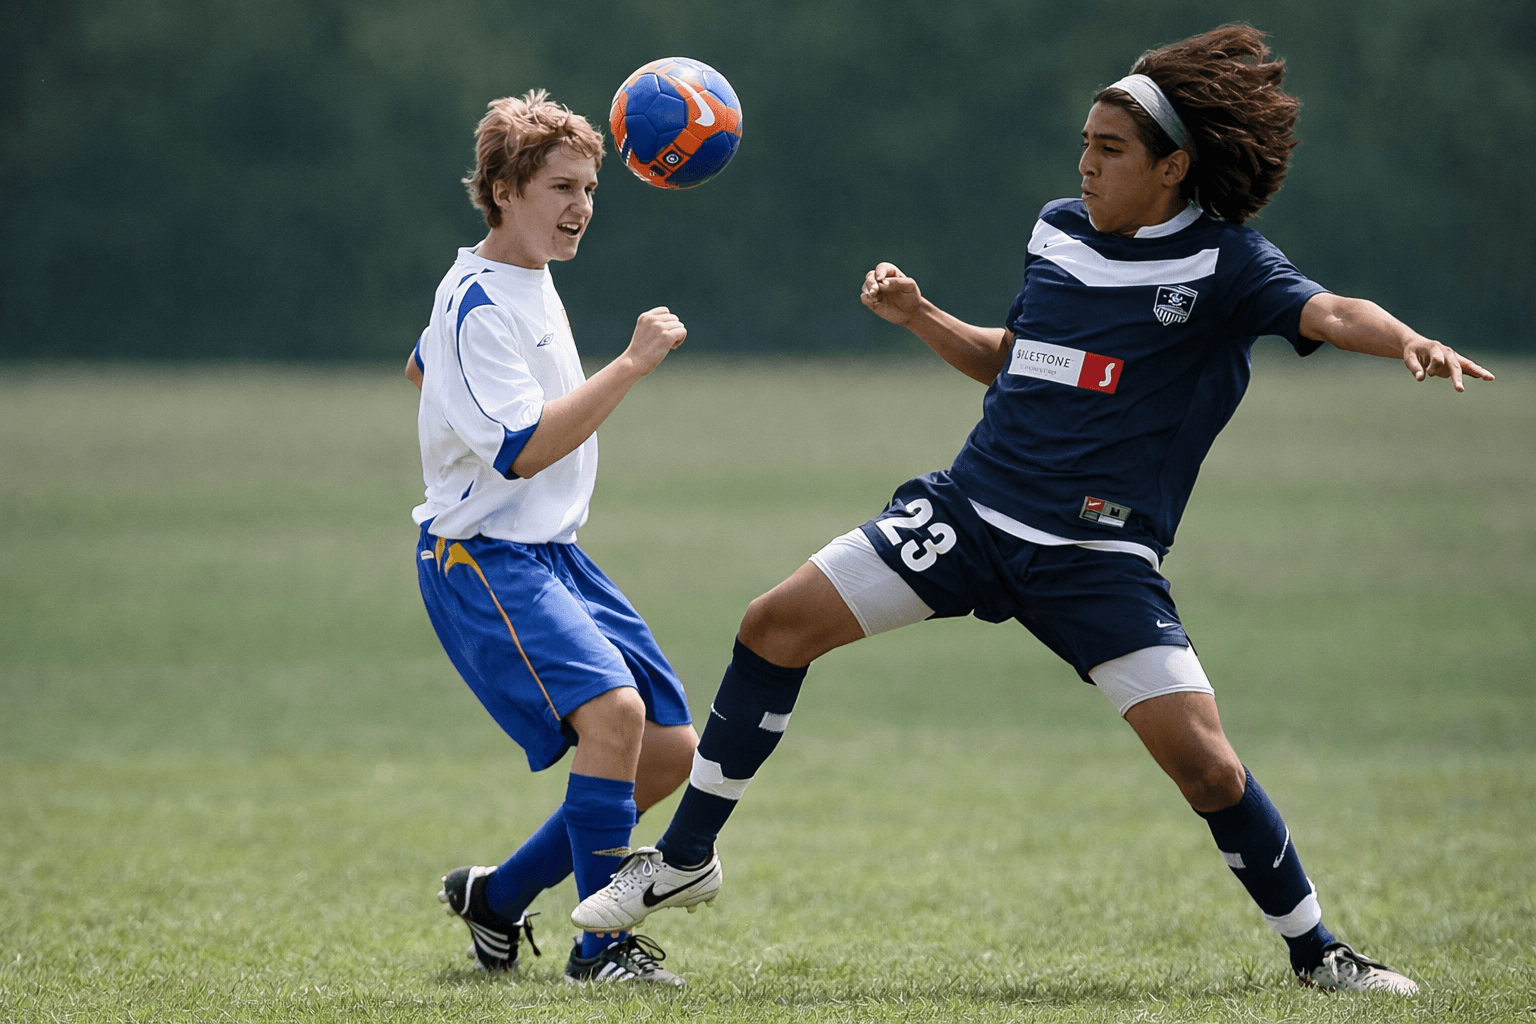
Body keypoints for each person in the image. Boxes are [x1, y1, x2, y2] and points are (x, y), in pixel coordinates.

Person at [570, 26, 1494, 995]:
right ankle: (682, 860)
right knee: (772, 624)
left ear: (1174, 167)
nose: (1086, 164)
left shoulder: (1228, 267)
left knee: (1208, 769)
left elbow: (1334, 310)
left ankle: (1321, 954)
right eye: (1085, 144)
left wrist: (1408, 342)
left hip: (1096, 559)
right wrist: (924, 317)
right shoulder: (1058, 228)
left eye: (1111, 151)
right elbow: (1019, 359)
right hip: (969, 515)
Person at [407, 89, 699, 986]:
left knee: (671, 748)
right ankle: (599, 950)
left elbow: (421, 363)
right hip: (483, 559)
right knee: (614, 717)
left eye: (589, 190)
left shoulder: (519, 280)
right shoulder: (481, 300)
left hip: (551, 554)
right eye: (560, 189)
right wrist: (633, 362)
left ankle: (497, 899)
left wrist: (446, 416)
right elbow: (524, 448)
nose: (580, 208)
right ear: (502, 190)